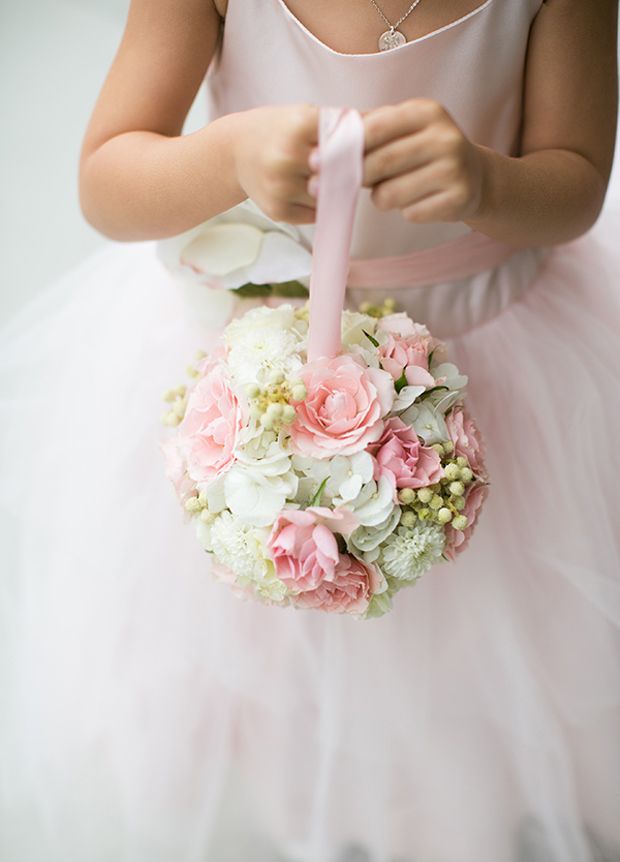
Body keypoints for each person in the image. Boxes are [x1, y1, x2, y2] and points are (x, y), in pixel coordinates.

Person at [1, 1, 619, 860]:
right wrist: (227, 155)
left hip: (487, 351)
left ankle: (472, 808)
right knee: (290, 642)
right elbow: (108, 182)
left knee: (478, 655)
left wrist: (489, 183)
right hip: (263, 354)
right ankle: (335, 812)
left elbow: (578, 185)